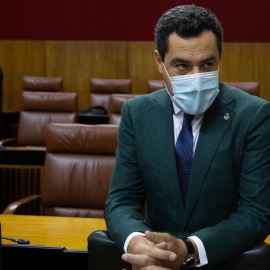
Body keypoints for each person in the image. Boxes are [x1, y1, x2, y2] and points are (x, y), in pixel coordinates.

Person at [104, 4, 270, 269]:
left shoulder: (253, 115)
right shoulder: (137, 114)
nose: (197, 77)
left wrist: (189, 249)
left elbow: (256, 213)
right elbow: (122, 201)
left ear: (220, 57)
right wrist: (138, 243)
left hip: (224, 261)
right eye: (182, 66)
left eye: (207, 64)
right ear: (160, 61)